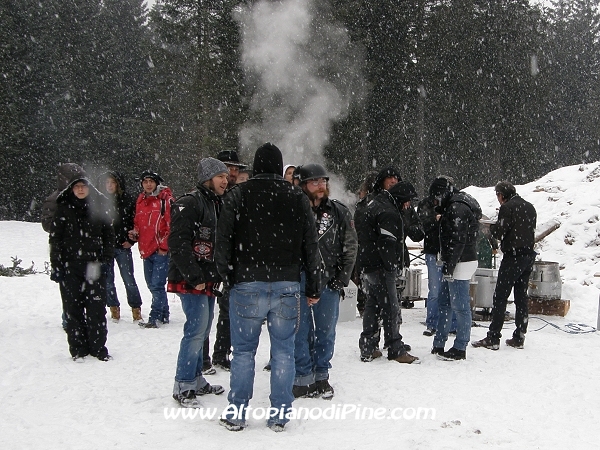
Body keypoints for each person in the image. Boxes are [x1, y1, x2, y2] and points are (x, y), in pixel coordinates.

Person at [216, 143, 321, 432]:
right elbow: (310, 246)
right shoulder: (297, 197)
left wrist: (226, 277)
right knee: (284, 352)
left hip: (247, 282)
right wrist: (313, 286)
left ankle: (237, 412)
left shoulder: (238, 194)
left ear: (257, 166)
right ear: (279, 166)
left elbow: (222, 240)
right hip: (287, 283)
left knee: (243, 352)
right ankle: (280, 414)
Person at [293, 163, 357, 399]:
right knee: (300, 331)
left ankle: (321, 376)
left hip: (329, 280)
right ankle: (302, 376)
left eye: (323, 181)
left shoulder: (339, 211)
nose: (321, 186)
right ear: (303, 185)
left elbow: (351, 246)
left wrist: (342, 278)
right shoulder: (294, 209)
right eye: (315, 182)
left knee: (326, 332)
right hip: (298, 279)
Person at [169, 157, 229, 407]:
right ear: (208, 179)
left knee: (203, 330)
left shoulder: (214, 202)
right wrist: (195, 276)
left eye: (226, 176)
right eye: (220, 177)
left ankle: (196, 379)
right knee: (195, 331)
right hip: (190, 279)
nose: (226, 180)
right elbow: (178, 243)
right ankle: (183, 384)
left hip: (206, 279)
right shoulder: (190, 202)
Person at [49, 174, 114, 361]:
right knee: (72, 309)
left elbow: (108, 235)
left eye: (83, 186)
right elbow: (55, 240)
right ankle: (78, 349)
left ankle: (98, 347)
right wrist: (57, 265)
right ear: (71, 189)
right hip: (70, 266)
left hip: (94, 264)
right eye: (76, 186)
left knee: (96, 308)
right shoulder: (63, 209)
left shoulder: (99, 208)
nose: (80, 189)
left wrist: (106, 259)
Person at [356, 183, 420, 364]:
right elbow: (388, 243)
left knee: (373, 304)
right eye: (407, 202)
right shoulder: (389, 212)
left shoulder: (375, 203)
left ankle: (368, 346)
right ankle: (395, 348)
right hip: (381, 266)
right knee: (391, 307)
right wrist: (392, 266)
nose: (408, 205)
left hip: (369, 263)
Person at [472, 181, 537, 350]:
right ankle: (519, 336)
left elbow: (500, 232)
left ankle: (493, 337)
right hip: (528, 256)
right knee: (521, 297)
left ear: (501, 195)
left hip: (513, 257)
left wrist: (489, 228)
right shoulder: (530, 207)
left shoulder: (507, 208)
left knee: (500, 297)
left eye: (498, 196)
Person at [429, 177, 481, 361]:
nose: (436, 202)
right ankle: (439, 342)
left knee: (460, 307)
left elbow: (458, 240)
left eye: (436, 198)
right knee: (444, 302)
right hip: (456, 260)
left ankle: (460, 347)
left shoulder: (457, 207)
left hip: (461, 262)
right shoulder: (458, 203)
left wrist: (449, 267)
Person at [42, 163, 86, 331]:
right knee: (69, 290)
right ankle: (69, 319)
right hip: (65, 249)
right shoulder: (55, 198)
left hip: (83, 249)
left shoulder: (84, 196)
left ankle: (79, 319)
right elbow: (47, 223)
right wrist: (64, 227)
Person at [129, 170, 174, 328]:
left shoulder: (165, 200)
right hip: (145, 249)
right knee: (152, 284)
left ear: (157, 183)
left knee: (156, 285)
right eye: (145, 181)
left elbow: (170, 224)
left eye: (151, 181)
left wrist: (164, 246)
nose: (148, 184)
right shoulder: (141, 200)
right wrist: (135, 232)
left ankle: (154, 317)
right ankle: (164, 313)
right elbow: (138, 221)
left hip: (160, 250)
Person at [97, 171, 143, 323]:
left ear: (118, 184)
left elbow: (135, 223)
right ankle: (113, 309)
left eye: (113, 182)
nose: (109, 186)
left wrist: (131, 241)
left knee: (128, 279)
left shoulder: (128, 200)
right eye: (107, 183)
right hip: (105, 248)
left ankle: (136, 309)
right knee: (108, 280)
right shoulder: (99, 201)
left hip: (122, 246)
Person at [417, 177, 457, 336]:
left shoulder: (452, 202)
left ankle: (452, 324)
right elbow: (422, 224)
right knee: (434, 290)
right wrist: (436, 219)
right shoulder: (426, 204)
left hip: (448, 252)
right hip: (433, 251)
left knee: (450, 289)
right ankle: (432, 322)